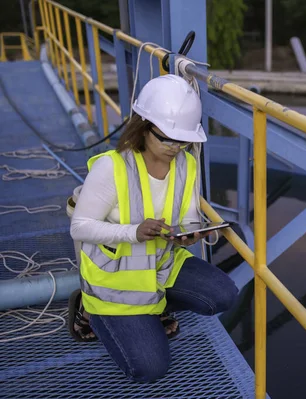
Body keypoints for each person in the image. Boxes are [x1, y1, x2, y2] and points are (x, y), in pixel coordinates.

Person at [68, 74, 239, 383]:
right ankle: (90, 309)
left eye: (184, 140)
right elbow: (79, 228)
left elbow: (186, 216)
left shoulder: (186, 163)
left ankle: (151, 308)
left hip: (160, 267)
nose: (176, 147)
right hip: (114, 285)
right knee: (150, 368)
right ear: (143, 127)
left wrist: (191, 234)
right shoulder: (112, 167)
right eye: (167, 139)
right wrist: (133, 232)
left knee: (223, 295)